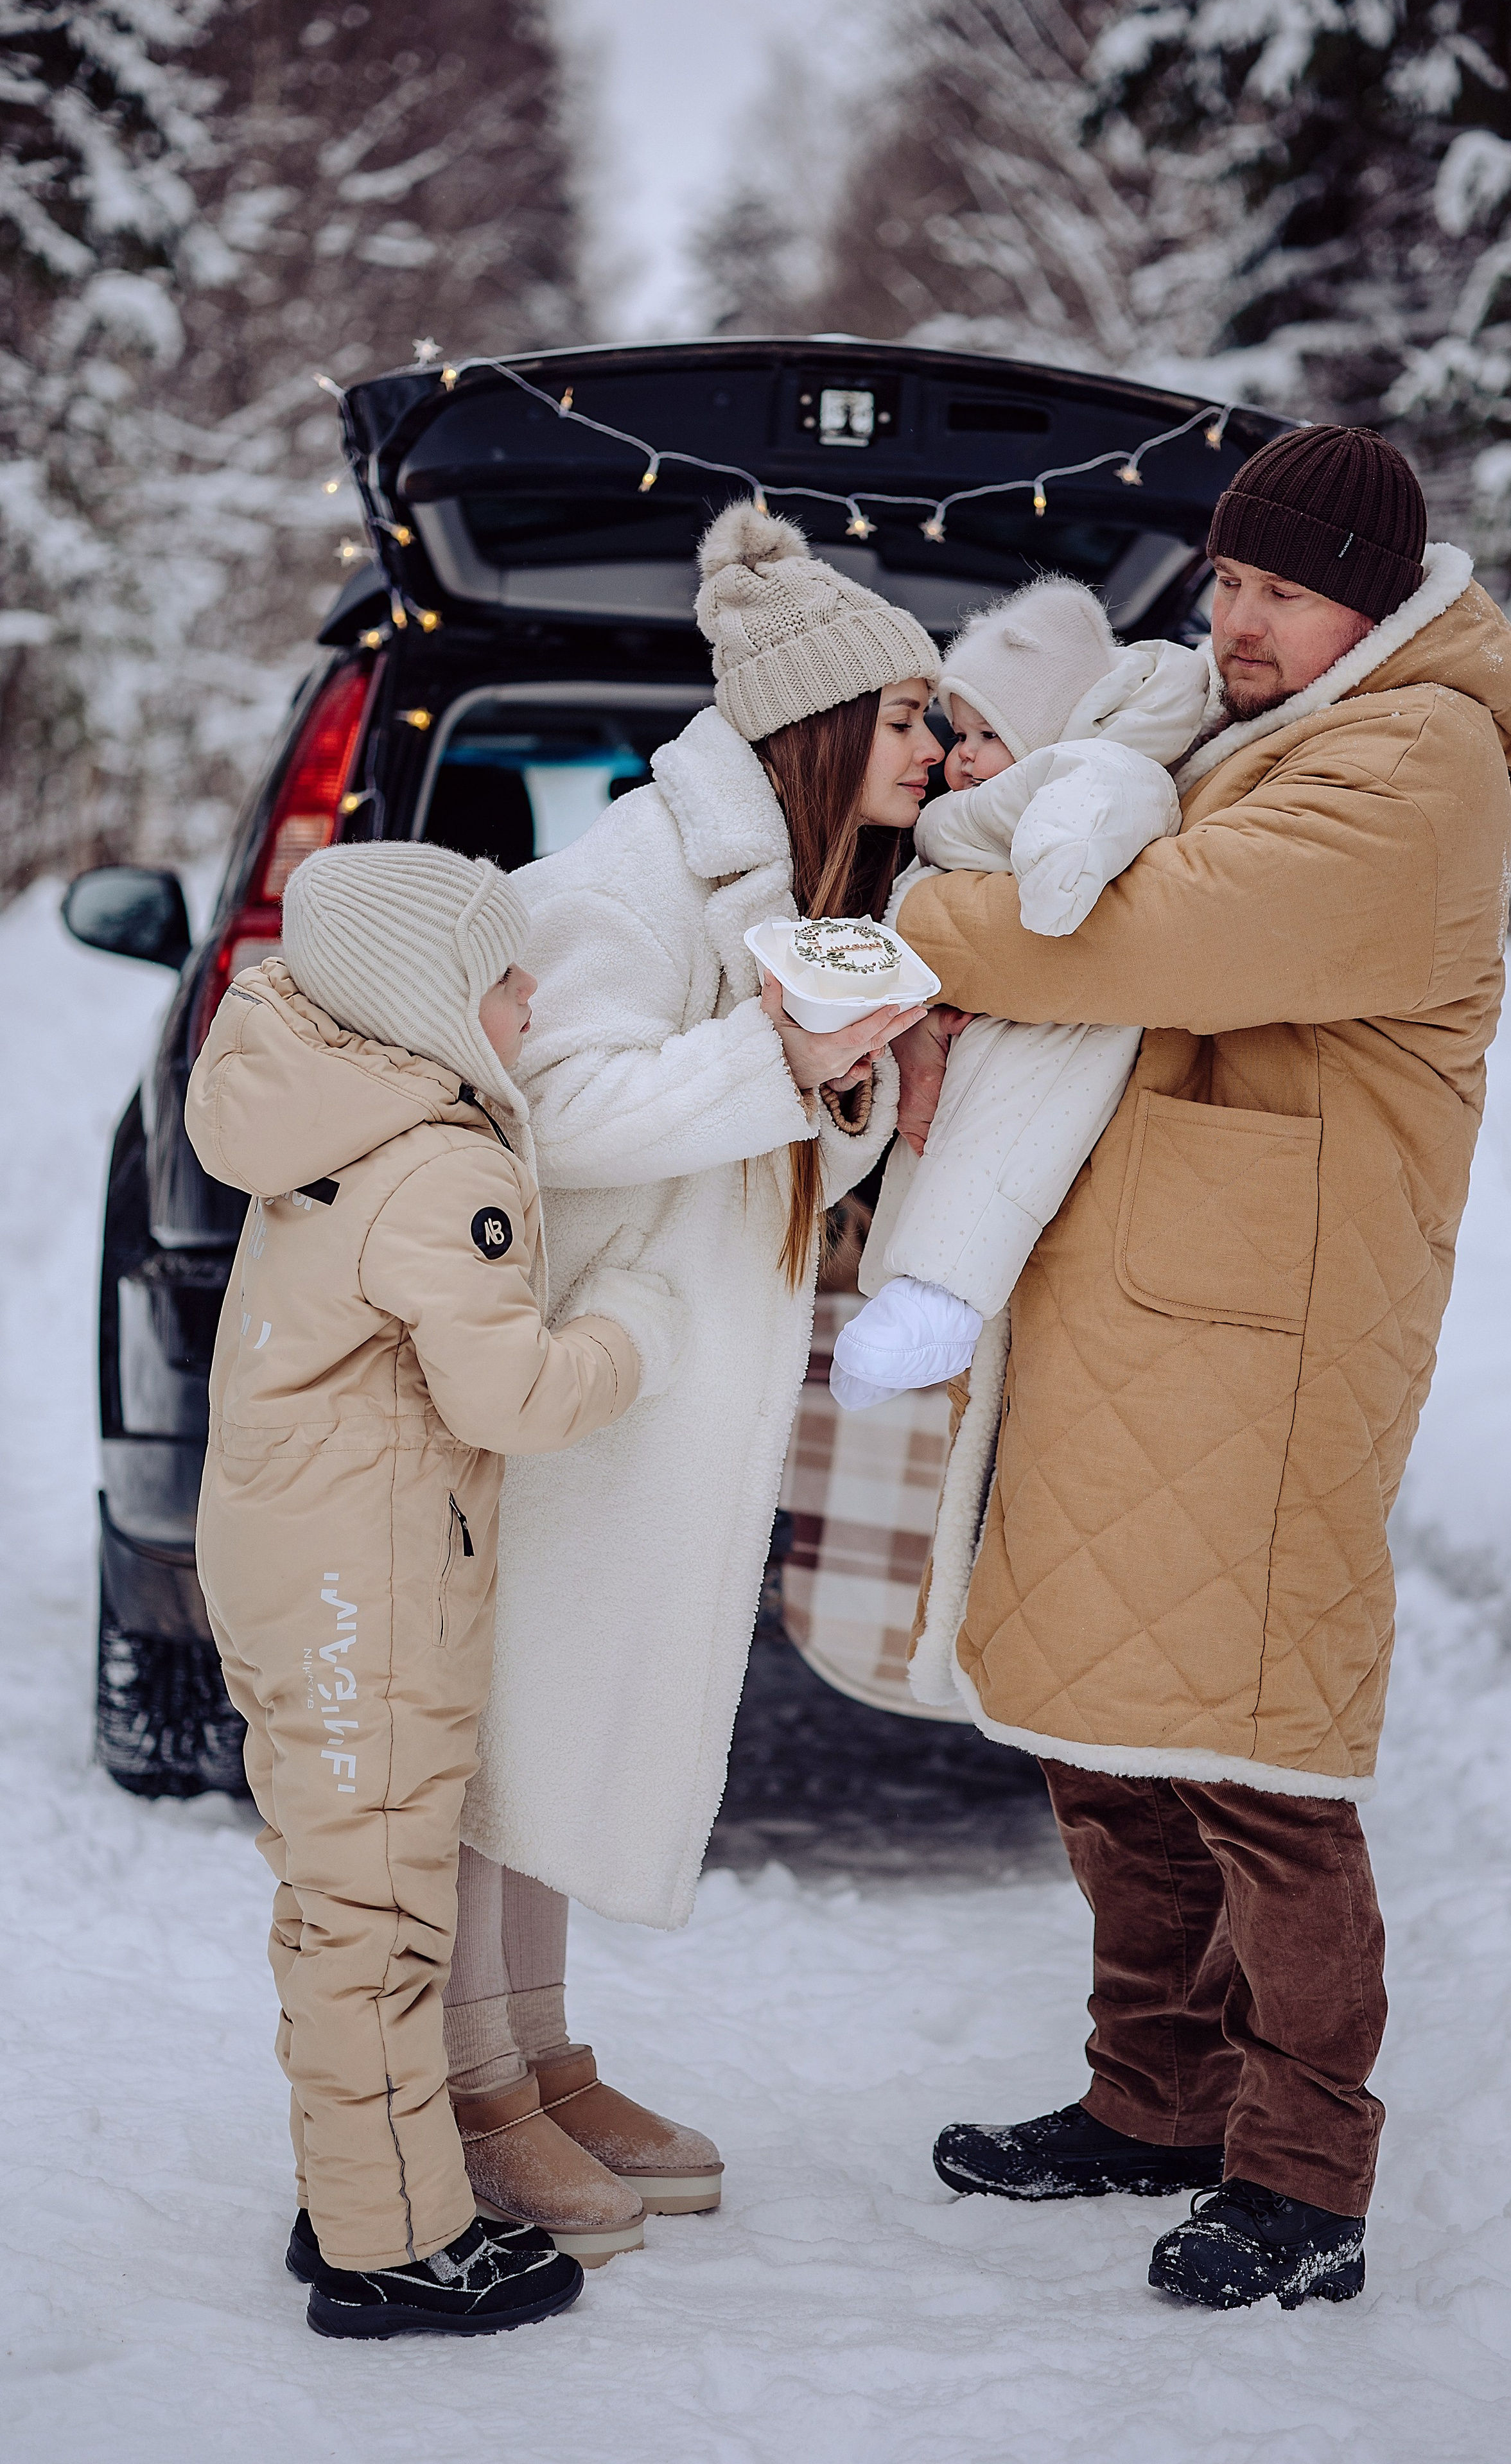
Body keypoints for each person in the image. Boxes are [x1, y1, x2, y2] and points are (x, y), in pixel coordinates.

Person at [894, 426, 1511, 2310]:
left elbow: (1140, 931)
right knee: (1100, 1724)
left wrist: (906, 929)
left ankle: (1302, 2174)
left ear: (1372, 594)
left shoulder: (1416, 755)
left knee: (1256, 1754)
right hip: (1141, 1297)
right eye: (1228, 581)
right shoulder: (1238, 715)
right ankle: (1155, 2098)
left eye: (1278, 589)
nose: (1237, 617)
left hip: (1273, 1321)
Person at [441, 500, 940, 2244]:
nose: (936, 749)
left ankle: (537, 2048)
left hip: (674, 1387)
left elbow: (775, 1125)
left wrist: (856, 1086)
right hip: (590, 1367)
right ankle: (465, 2079)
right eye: (906, 719)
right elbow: (556, 1114)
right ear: (815, 731)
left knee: (578, 1717)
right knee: (510, 1720)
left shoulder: (797, 892)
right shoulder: (619, 883)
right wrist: (780, 1051)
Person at [186, 841, 683, 2339]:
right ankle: (394, 2243)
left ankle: (359, 2182)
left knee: (338, 1891)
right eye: (504, 973)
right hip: (374, 1595)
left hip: (292, 1561)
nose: (532, 999)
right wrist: (633, 1325)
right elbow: (513, 1397)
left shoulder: (316, 1108)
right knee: (379, 1914)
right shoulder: (445, 1163)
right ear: (432, 997)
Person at [831, 577, 1212, 1408]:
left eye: (985, 734)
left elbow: (1094, 810)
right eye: (955, 732)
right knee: (942, 1148)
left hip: (1057, 1011)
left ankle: (940, 1297)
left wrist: (1052, 883)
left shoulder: (1093, 763)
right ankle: (907, 1286)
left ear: (1049, 727)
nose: (957, 756)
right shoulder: (985, 806)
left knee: (1005, 1131)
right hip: (991, 1005)